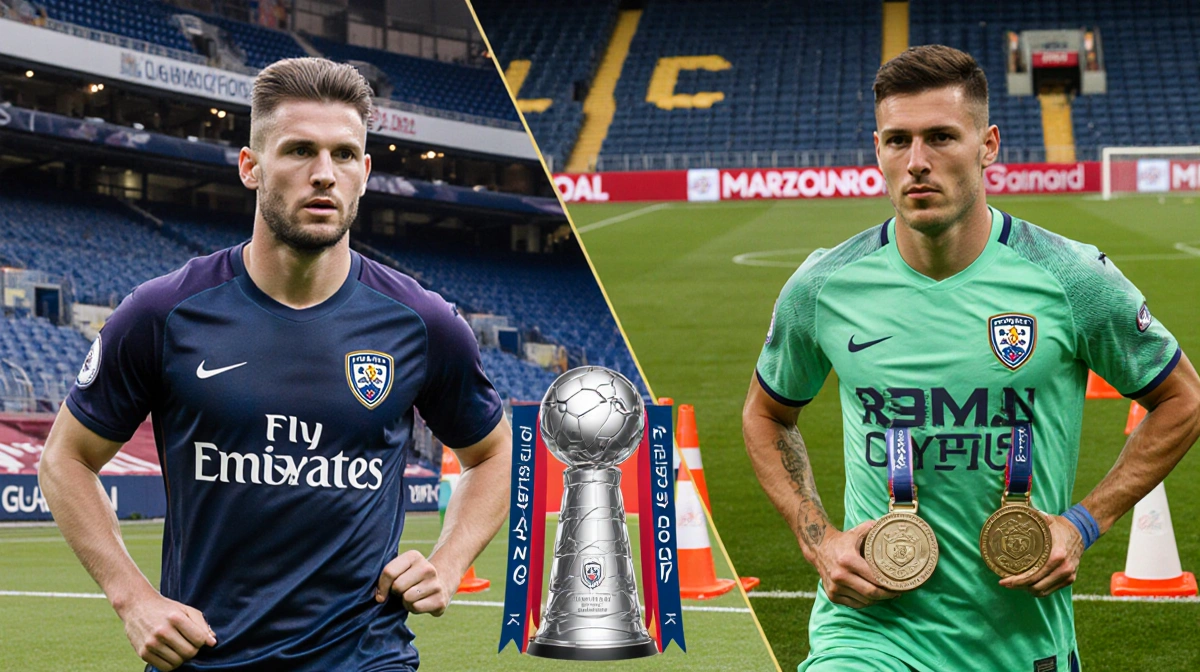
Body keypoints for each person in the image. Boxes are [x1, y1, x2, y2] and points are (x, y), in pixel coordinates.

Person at [38, 57, 512, 672]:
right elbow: (65, 458)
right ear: (251, 166)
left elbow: (494, 453)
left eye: (345, 154)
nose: (324, 174)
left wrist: (449, 563)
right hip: (206, 658)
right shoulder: (163, 313)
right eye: (299, 151)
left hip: (366, 658)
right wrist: (132, 598)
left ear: (365, 173)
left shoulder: (423, 323)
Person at [742, 45, 1200, 672]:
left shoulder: (1071, 278)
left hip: (1019, 641)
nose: (917, 161)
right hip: (868, 636)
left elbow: (1182, 398)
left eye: (940, 137)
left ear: (988, 145)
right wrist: (818, 539)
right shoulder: (824, 287)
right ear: (877, 149)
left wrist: (1083, 523)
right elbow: (766, 414)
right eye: (898, 141)